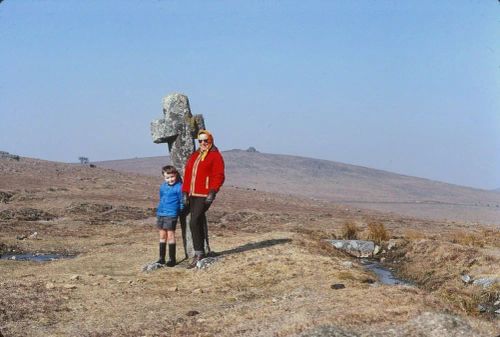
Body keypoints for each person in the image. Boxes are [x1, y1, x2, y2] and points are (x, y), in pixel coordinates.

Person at [182, 130, 225, 269]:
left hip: (204, 195)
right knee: (197, 221)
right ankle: (201, 251)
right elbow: (188, 174)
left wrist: (212, 191)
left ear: (211, 140)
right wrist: (185, 191)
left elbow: (218, 175)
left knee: (193, 221)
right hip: (192, 194)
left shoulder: (215, 156)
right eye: (200, 141)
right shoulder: (195, 155)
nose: (203, 143)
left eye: (205, 140)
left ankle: (199, 253)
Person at [155, 165, 184, 267]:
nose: (170, 179)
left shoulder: (179, 187)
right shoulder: (163, 186)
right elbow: (161, 197)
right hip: (161, 213)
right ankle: (161, 258)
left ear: (175, 175)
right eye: (167, 177)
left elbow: (181, 201)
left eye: (172, 177)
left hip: (171, 214)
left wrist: (178, 210)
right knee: (162, 236)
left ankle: (172, 259)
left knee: (170, 235)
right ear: (164, 177)